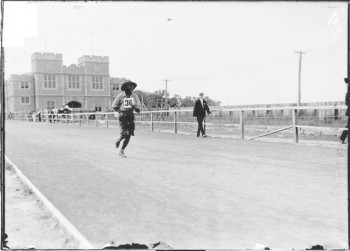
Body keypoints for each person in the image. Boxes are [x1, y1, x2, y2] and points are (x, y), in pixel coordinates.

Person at [111, 80, 141, 157]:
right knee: (124, 133)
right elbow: (114, 106)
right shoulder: (120, 96)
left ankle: (122, 151)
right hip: (122, 115)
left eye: (132, 86)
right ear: (125, 87)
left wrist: (135, 107)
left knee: (129, 135)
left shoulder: (134, 96)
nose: (130, 87)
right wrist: (120, 112)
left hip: (130, 115)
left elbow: (138, 109)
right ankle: (119, 139)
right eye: (128, 86)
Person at [339, 77, 349, 144]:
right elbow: (347, 102)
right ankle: (341, 139)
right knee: (348, 126)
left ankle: (341, 139)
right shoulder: (347, 93)